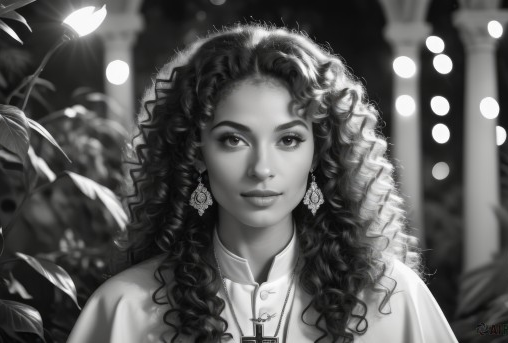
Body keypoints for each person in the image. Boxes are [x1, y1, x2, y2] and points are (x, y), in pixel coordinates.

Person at [67, 24, 458, 343]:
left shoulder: (391, 298)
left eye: (288, 140)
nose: (261, 168)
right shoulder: (124, 308)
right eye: (233, 140)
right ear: (197, 152)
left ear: (318, 153)